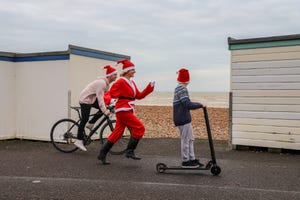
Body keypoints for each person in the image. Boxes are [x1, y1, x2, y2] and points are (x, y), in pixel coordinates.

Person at [98, 59, 155, 164]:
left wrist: (149, 87)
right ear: (127, 70)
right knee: (140, 128)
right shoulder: (120, 81)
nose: (134, 71)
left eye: (134, 69)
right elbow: (110, 93)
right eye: (133, 69)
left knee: (117, 133)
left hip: (127, 109)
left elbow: (139, 96)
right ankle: (130, 151)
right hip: (123, 110)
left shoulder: (131, 82)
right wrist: (109, 100)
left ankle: (102, 153)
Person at [74, 65, 118, 151]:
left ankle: (91, 123)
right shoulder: (101, 83)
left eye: (116, 74)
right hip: (85, 100)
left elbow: (106, 96)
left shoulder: (106, 84)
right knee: (84, 119)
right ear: (109, 76)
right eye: (115, 74)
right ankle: (79, 140)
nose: (116, 76)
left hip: (92, 99)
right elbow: (101, 99)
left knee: (103, 109)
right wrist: (105, 110)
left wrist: (112, 102)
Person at [173, 68, 205, 168]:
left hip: (184, 118)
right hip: (182, 119)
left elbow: (187, 103)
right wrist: (200, 105)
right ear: (187, 80)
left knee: (190, 139)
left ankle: (192, 158)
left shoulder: (180, 88)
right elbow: (187, 104)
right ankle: (185, 161)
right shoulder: (182, 89)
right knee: (186, 140)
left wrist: (200, 104)